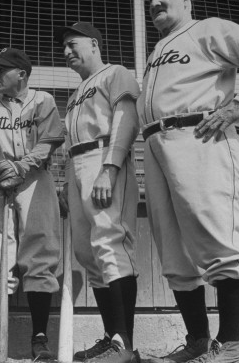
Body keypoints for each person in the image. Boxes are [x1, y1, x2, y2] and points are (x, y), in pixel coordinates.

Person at [137, 0, 239, 363]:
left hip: (200, 136)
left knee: (221, 243)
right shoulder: (158, 49)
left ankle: (228, 346)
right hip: (156, 144)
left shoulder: (209, 29)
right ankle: (198, 342)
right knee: (174, 253)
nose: (155, 2)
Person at [0, 47, 65, 361]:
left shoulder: (43, 100)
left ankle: (39, 338)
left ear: (21, 74)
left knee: (40, 255)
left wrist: (21, 166)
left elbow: (50, 139)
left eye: (2, 69)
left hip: (35, 178)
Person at [54, 22, 141, 363]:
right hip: (78, 164)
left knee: (110, 244)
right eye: (63, 48)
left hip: (104, 158)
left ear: (93, 43)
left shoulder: (115, 73)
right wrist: (65, 179)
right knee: (88, 254)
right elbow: (69, 143)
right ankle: (112, 337)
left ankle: (126, 345)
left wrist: (110, 167)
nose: (66, 52)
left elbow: (127, 119)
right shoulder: (76, 93)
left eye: (72, 44)